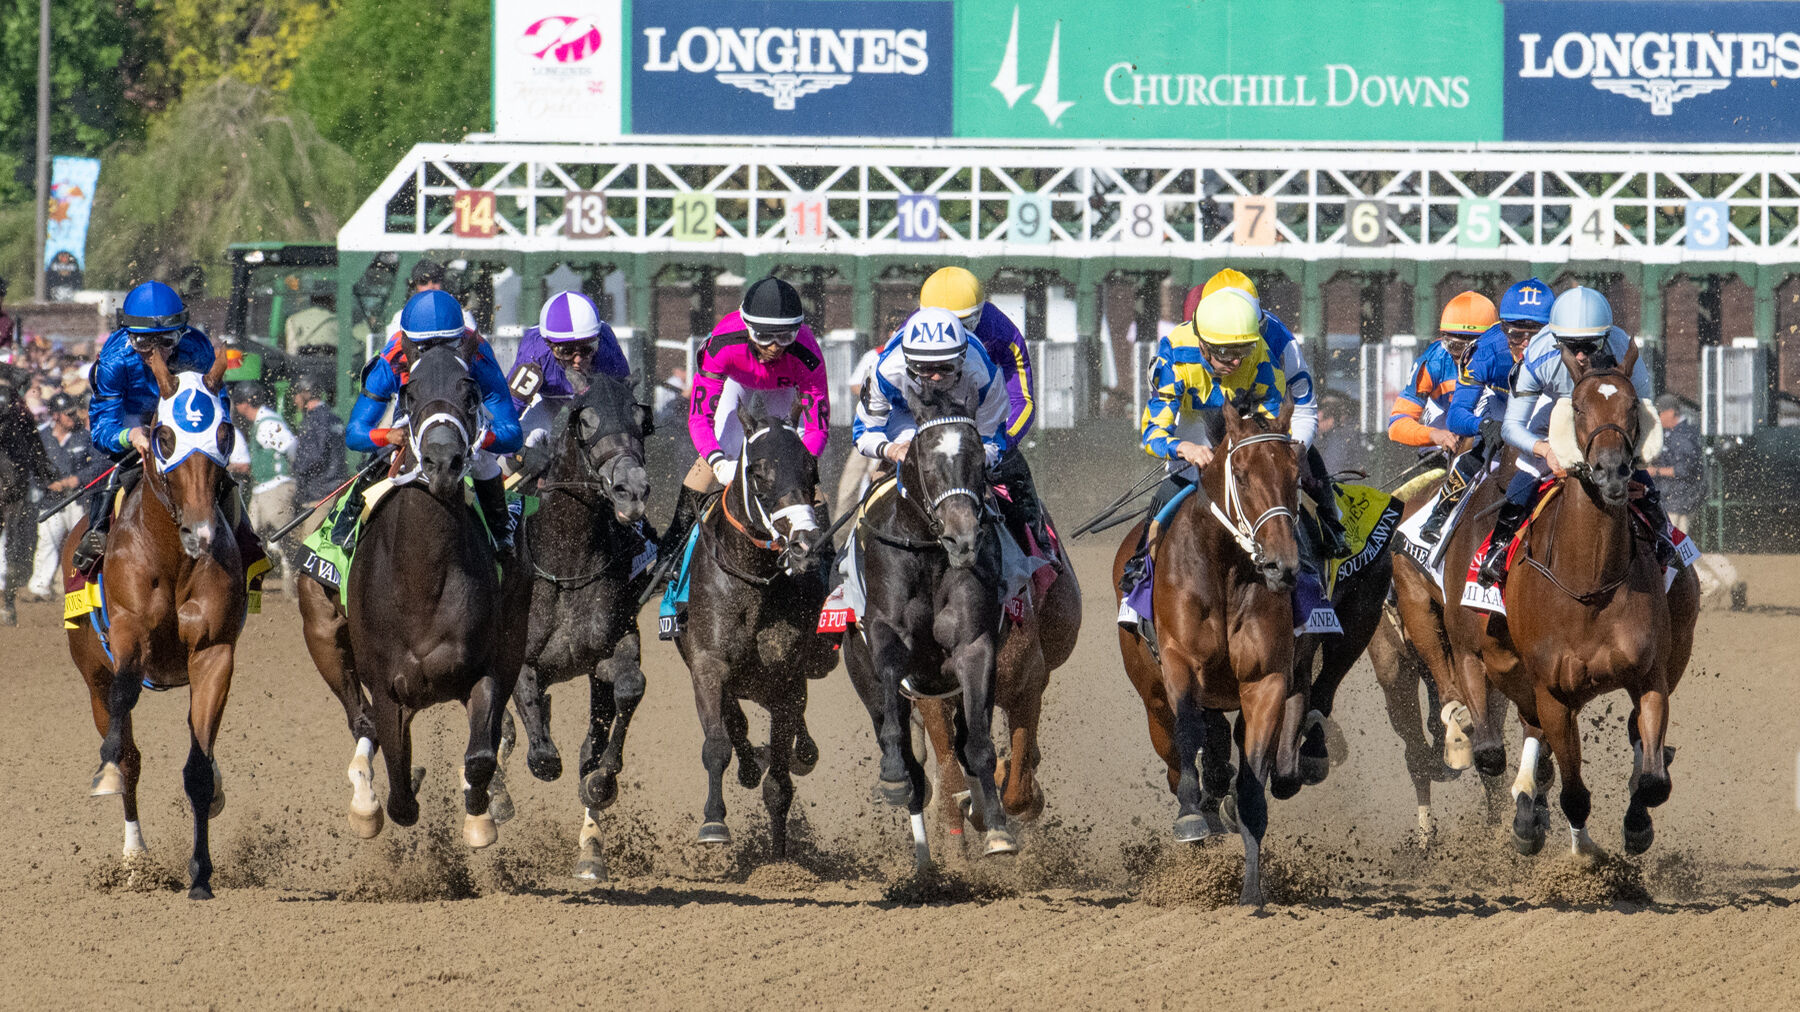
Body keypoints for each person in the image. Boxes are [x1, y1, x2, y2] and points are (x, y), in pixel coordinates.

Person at [1477, 286, 1669, 586]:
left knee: (1636, 474)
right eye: (1571, 346)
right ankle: (1498, 549)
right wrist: (1544, 450)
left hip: (1607, 415)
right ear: (1556, 339)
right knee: (1528, 468)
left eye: (1590, 347)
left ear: (1605, 338)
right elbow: (1511, 426)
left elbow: (1643, 411)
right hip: (1557, 407)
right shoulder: (1539, 355)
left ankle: (1663, 539)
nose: (1580, 356)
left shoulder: (1623, 350)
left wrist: (1632, 459)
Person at [1118, 288, 1289, 613]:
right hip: (1191, 435)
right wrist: (1184, 448)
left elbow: (1272, 424)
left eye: (1243, 350)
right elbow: (1153, 433)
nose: (1237, 361)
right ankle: (1140, 577)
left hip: (1242, 437)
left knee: (1287, 510)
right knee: (1166, 501)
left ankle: (1310, 593)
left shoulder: (1261, 355)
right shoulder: (1173, 355)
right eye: (1226, 353)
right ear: (1203, 345)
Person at [73, 281, 257, 574]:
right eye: (144, 344)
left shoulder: (197, 348)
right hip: (132, 425)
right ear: (129, 336)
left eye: (166, 342)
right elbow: (102, 426)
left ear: (181, 334)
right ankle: (96, 533)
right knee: (110, 476)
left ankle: (248, 549)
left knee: (223, 484)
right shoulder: (113, 360)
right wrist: (130, 435)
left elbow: (218, 405)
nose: (155, 354)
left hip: (184, 430)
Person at [654, 276, 830, 567]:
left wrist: (799, 464)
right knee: (722, 447)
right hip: (737, 381)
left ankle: (827, 559)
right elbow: (700, 419)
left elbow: (816, 428)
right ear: (748, 329)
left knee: (799, 467)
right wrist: (718, 461)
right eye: (765, 336)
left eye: (785, 337)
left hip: (784, 388)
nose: (774, 347)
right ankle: (672, 547)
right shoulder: (722, 344)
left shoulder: (808, 355)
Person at [344, 289, 522, 551]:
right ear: (407, 342)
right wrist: (387, 437)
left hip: (464, 428)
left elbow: (513, 434)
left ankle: (501, 534)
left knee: (484, 461)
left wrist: (481, 437)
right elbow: (354, 434)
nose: (437, 356)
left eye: (447, 344)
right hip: (410, 424)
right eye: (426, 347)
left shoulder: (478, 353)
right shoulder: (391, 358)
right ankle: (345, 529)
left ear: (460, 338)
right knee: (378, 461)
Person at [1190, 269, 1342, 555]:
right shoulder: (1187, 339)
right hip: (1212, 423)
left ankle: (1332, 528)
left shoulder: (1280, 340)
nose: (1235, 356)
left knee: (1308, 465)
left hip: (1267, 424)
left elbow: (1305, 407)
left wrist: (1294, 449)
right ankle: (1144, 555)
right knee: (1176, 484)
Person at [916, 266, 1049, 548]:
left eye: (965, 323)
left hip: (983, 434)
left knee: (1022, 485)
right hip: (926, 436)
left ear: (981, 313)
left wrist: (996, 446)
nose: (955, 333)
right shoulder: (910, 333)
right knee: (875, 489)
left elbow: (1022, 401)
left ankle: (1042, 557)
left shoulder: (1002, 333)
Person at [1417, 277, 1554, 545]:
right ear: (1503, 329)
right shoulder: (1484, 352)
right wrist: (1483, 425)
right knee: (1479, 451)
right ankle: (1440, 514)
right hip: (1503, 409)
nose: (1525, 344)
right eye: (1516, 334)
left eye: (1536, 335)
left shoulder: (1566, 348)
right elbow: (1457, 416)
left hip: (1549, 406)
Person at [853, 306, 1010, 470]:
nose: (936, 377)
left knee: (1008, 472)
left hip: (966, 415)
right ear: (909, 363)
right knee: (906, 459)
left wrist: (974, 461)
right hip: (906, 415)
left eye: (946, 368)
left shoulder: (984, 377)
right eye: (925, 368)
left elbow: (992, 440)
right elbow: (864, 431)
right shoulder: (885, 372)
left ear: (962, 360)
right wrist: (891, 449)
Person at [508, 290, 630, 463]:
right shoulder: (535, 355)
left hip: (593, 399)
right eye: (566, 351)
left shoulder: (609, 354)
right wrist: (520, 453)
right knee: (531, 438)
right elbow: (507, 413)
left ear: (597, 341)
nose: (578, 360)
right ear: (549, 345)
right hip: (547, 398)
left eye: (586, 350)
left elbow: (623, 412)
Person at [1387, 291, 1495, 451]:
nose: (1465, 359)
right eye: (1456, 347)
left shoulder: (1506, 357)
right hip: (1444, 434)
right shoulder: (1433, 362)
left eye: (1474, 350)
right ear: (1444, 342)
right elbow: (1397, 424)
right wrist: (1434, 435)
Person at [27, 392, 103, 599]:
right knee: (47, 542)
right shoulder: (40, 438)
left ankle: (75, 584)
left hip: (78, 500)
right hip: (50, 500)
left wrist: (75, 480)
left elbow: (98, 466)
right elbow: (32, 468)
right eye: (68, 414)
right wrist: (47, 484)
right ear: (56, 416)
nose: (74, 417)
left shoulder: (85, 437)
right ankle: (39, 587)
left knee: (79, 542)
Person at [232, 383, 297, 585]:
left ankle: (295, 578)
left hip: (275, 487)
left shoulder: (267, 423)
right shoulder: (261, 422)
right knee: (250, 533)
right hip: (263, 489)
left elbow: (291, 446)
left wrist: (288, 474)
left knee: (286, 537)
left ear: (244, 404)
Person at [289, 373, 348, 535]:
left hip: (318, 494)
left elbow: (314, 456)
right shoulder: (334, 418)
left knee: (308, 547)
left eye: (296, 395)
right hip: (335, 490)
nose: (295, 400)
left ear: (306, 394)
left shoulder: (313, 420)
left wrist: (296, 468)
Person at [833, 344, 883, 510]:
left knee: (876, 477)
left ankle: (870, 516)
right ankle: (841, 531)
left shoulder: (910, 358)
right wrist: (877, 391)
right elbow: (854, 384)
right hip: (867, 428)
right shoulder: (874, 355)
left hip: (894, 432)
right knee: (850, 481)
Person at [1651, 393, 1701, 531]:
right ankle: (1691, 553)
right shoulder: (1671, 433)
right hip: (1671, 497)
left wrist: (1655, 471)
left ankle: (1692, 554)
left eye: (1660, 413)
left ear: (1671, 412)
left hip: (1681, 498)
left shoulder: (1684, 435)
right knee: (1673, 539)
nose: (1658, 417)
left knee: (1677, 540)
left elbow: (1684, 469)